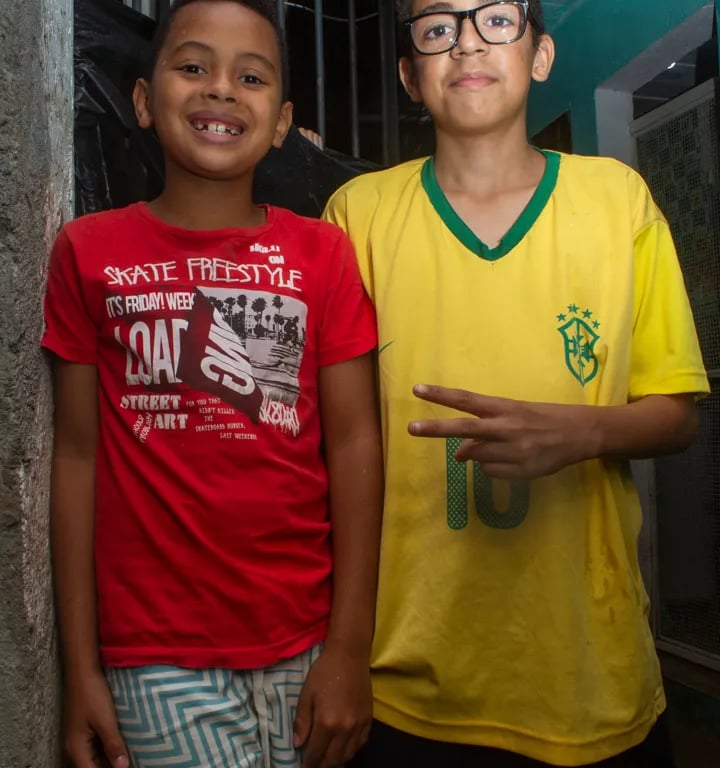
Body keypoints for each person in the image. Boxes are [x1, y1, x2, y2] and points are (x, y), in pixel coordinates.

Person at [324, 1, 709, 766]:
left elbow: (677, 414)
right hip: (406, 675)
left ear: (540, 54)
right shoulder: (357, 216)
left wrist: (582, 432)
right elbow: (339, 445)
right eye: (437, 28)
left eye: (495, 19)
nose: (466, 42)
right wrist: (341, 648)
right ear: (409, 75)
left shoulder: (616, 200)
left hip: (588, 675)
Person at [43, 2, 383, 767]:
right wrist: (80, 670)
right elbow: (75, 458)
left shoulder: (323, 254)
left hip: (307, 642)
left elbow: (356, 446)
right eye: (193, 66)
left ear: (282, 121)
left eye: (251, 77)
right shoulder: (88, 252)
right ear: (143, 99)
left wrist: (350, 648)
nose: (221, 88)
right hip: (154, 656)